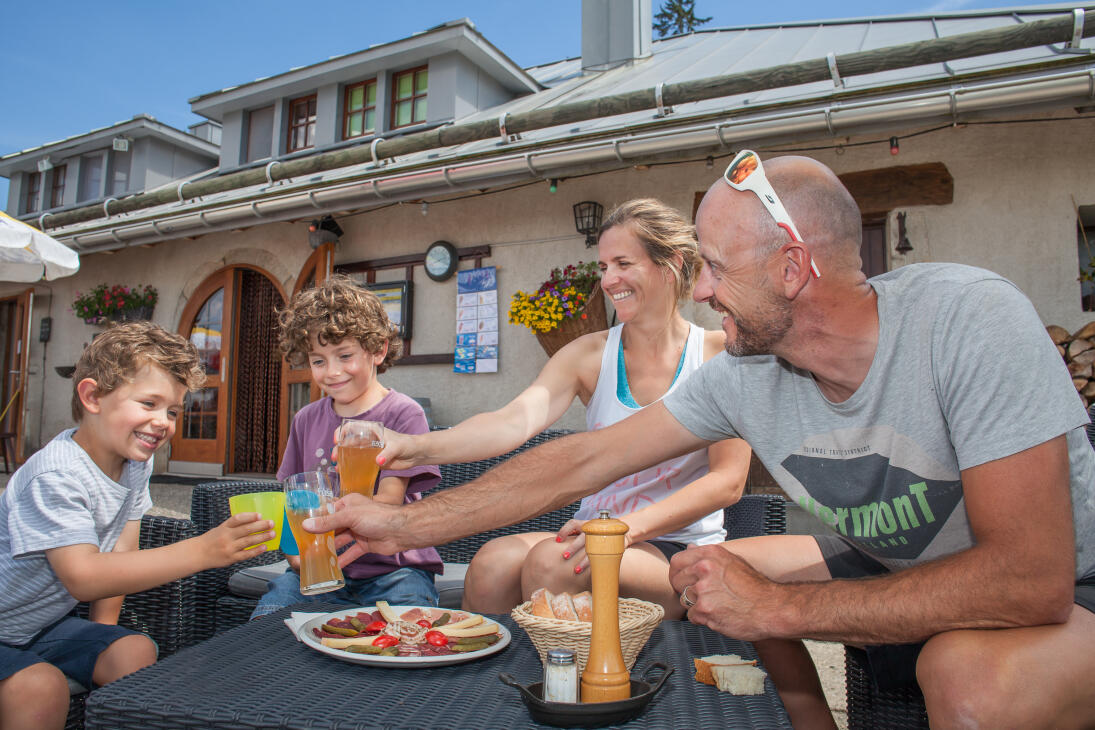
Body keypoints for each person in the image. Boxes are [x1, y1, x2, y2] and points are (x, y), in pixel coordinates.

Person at [304, 152, 1095, 729]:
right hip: (904, 565)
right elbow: (575, 459)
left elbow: (1029, 578)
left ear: (791, 268)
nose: (703, 287)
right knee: (715, 571)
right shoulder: (746, 374)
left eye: (713, 267)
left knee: (963, 677)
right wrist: (400, 523)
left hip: (1072, 584)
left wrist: (780, 606)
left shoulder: (966, 319)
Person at [377, 199, 752, 618]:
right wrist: (418, 446)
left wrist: (625, 531)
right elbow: (513, 420)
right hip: (592, 532)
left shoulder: (719, 353)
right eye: (604, 267)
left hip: (676, 547)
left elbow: (727, 481)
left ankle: (564, 684)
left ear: (671, 265)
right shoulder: (588, 355)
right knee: (490, 564)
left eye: (623, 263)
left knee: (553, 562)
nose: (609, 280)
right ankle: (490, 684)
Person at [0, 322, 274, 730]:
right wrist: (203, 550)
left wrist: (101, 639)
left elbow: (121, 554)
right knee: (41, 687)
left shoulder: (134, 464)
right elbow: (84, 576)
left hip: (37, 627)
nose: (163, 422)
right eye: (149, 404)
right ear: (92, 396)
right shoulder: (56, 475)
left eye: (173, 411)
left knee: (133, 650)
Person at [250, 275, 442, 618]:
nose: (332, 372)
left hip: (393, 568)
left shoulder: (402, 413)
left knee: (409, 628)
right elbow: (292, 497)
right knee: (270, 620)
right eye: (318, 360)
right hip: (319, 565)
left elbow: (388, 502)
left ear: (378, 350)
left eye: (344, 355)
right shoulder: (305, 419)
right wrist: (294, 553)